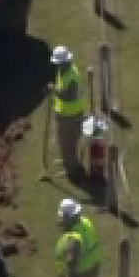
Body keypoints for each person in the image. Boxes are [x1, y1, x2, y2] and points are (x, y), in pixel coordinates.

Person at [48, 47, 87, 179]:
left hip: (70, 115)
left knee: (68, 143)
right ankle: (68, 162)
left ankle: (72, 170)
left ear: (64, 62)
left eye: (58, 63)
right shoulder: (64, 71)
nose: (57, 66)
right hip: (64, 113)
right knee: (63, 141)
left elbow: (69, 96)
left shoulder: (71, 76)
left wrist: (54, 91)